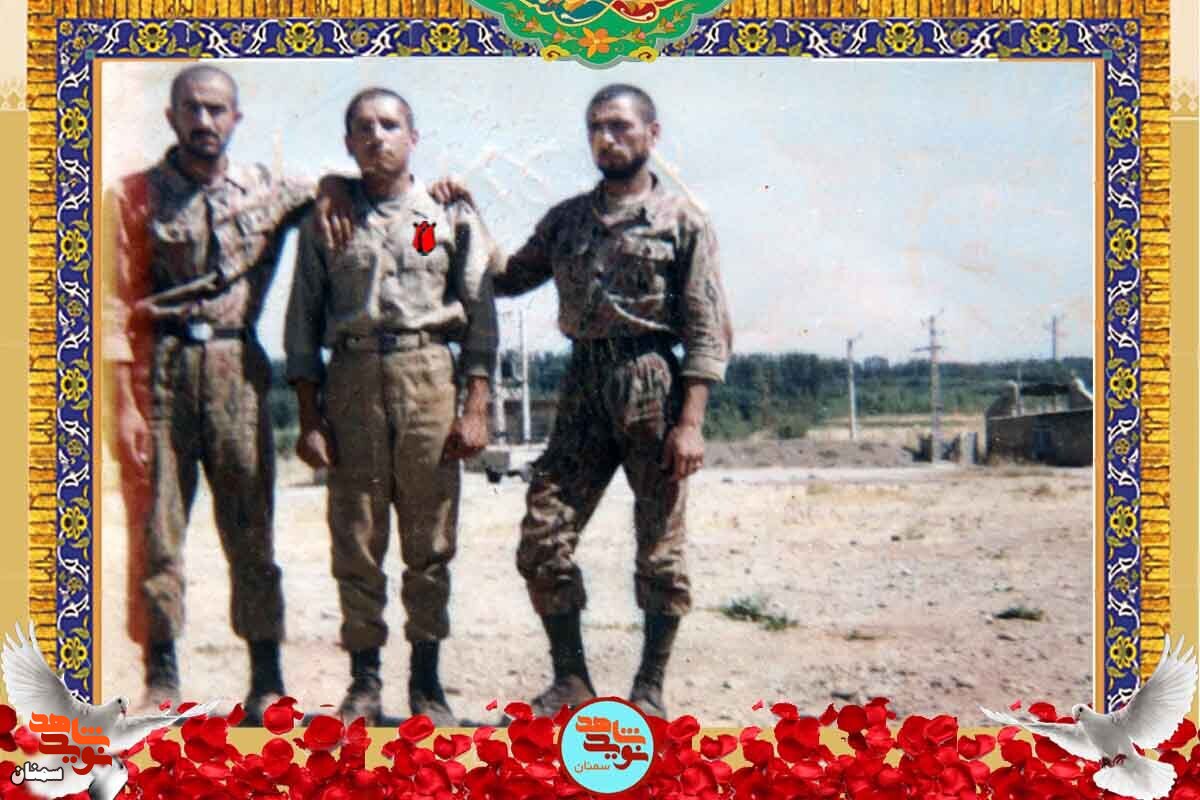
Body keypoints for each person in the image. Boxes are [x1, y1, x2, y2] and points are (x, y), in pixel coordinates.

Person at [433, 83, 731, 719]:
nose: (607, 138)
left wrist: (691, 423)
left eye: (620, 126)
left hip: (652, 381)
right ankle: (572, 681)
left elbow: (707, 328)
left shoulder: (683, 221)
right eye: (596, 127)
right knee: (543, 532)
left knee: (660, 546)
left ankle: (649, 689)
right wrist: (468, 213)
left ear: (652, 134)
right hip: (582, 384)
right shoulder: (568, 219)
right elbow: (507, 276)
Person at [103, 64, 350, 724]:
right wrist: (122, 406)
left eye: (217, 110)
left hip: (237, 368)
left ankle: (266, 681)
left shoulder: (267, 189)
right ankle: (161, 678)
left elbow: (335, 187)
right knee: (156, 533)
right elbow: (110, 305)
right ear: (171, 117)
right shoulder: (131, 197)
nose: (204, 121)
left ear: (236, 118)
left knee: (251, 530)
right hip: (159, 370)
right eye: (192, 108)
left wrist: (338, 188)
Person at [284, 88, 498, 727]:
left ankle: (427, 686)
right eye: (363, 127)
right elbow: (302, 323)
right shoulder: (327, 219)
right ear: (348, 143)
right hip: (351, 379)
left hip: (427, 373)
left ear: (413, 136)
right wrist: (309, 417)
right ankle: (365, 684)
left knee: (430, 538)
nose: (376, 136)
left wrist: (476, 405)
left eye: (389, 124)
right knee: (356, 537)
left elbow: (480, 312)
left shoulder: (443, 214)